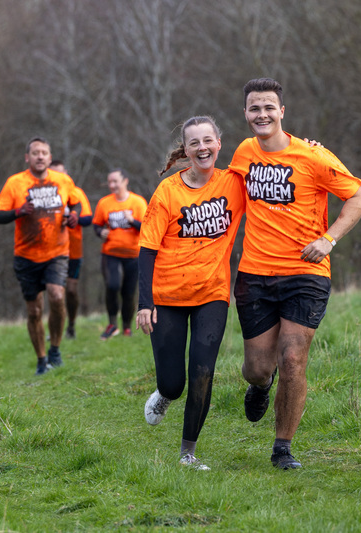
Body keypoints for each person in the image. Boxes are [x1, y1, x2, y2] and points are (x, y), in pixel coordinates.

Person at [228, 78, 361, 469]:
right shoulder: (243, 153)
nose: (262, 115)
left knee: (292, 358)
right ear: (246, 114)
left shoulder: (314, 157)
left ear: (282, 112)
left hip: (306, 272)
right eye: (254, 108)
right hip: (254, 274)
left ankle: (282, 447)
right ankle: (261, 385)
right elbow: (222, 192)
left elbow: (359, 197)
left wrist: (329, 239)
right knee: (258, 368)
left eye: (269, 107)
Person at [138, 116, 245, 470]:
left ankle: (188, 453)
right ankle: (165, 395)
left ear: (219, 144)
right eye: (194, 143)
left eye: (207, 140)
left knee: (203, 371)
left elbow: (274, 165)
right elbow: (147, 250)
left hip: (212, 293)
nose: (202, 148)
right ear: (186, 150)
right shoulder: (168, 191)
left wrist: (309, 148)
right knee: (174, 382)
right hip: (167, 296)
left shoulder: (234, 183)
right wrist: (144, 303)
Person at [0, 138, 81, 375]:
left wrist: (74, 215)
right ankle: (42, 360)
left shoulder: (62, 180)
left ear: (50, 158)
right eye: (35, 153)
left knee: (56, 295)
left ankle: (55, 349)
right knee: (34, 311)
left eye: (44, 153)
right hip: (26, 255)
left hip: (57, 252)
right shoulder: (15, 183)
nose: (40, 156)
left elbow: (77, 203)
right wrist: (18, 211)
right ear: (27, 158)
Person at [92, 169, 147, 339]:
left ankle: (126, 328)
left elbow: (147, 228)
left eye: (115, 181)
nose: (112, 185)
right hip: (111, 253)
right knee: (112, 285)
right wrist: (100, 232)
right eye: (109, 182)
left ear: (125, 181)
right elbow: (96, 225)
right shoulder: (104, 203)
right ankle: (112, 324)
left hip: (133, 254)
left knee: (128, 292)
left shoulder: (138, 202)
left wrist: (132, 221)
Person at [49, 160, 92, 339]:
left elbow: (88, 218)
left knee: (71, 291)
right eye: (55, 174)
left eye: (61, 173)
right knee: (54, 291)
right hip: (51, 249)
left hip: (73, 248)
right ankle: (55, 329)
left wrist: (74, 219)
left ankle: (72, 324)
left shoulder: (76, 192)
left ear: (66, 173)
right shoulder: (47, 196)